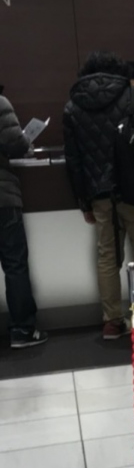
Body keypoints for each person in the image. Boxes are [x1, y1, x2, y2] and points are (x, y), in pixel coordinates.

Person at [63, 52, 134, 339]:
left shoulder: (73, 107)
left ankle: (112, 321)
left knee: (107, 257)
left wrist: (83, 201)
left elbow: (74, 160)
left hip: (100, 194)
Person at [0, 85, 47, 348]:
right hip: (3, 199)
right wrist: (26, 142)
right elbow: (15, 145)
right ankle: (22, 330)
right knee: (14, 265)